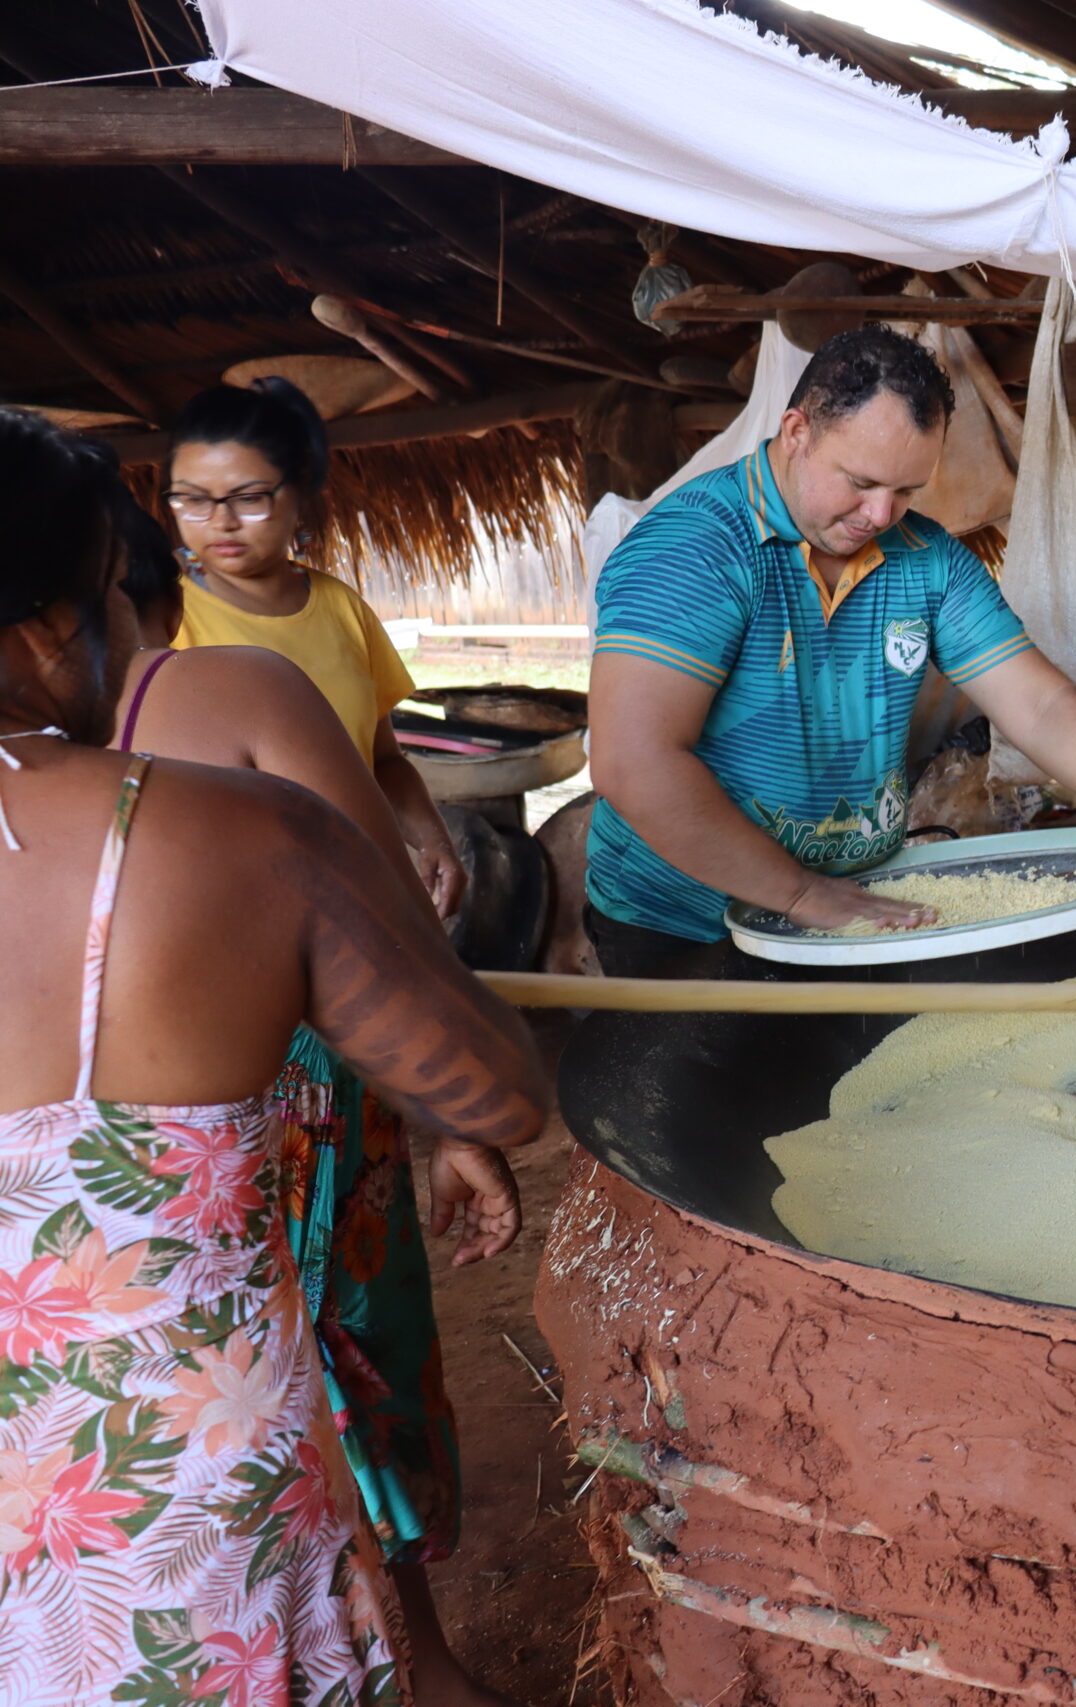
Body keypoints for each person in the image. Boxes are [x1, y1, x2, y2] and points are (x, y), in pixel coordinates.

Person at [0, 408, 549, 1704]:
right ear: (41, 632)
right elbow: (496, 1090)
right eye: (116, 598)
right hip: (177, 1511)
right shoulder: (229, 833)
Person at [112, 495, 523, 1707]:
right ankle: (422, 1666)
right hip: (295, 1112)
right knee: (347, 1364)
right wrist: (457, 1116)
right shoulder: (226, 694)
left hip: (103, 1225)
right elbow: (387, 944)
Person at [586, 325, 1076, 976]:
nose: (881, 514)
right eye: (860, 481)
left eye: (908, 489)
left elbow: (1040, 706)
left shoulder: (926, 559)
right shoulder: (694, 549)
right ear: (798, 432)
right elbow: (633, 761)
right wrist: (801, 893)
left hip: (853, 904)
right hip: (686, 925)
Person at [160, 378, 465, 918]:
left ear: (298, 492)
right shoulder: (165, 622)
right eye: (193, 500)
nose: (221, 521)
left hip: (351, 891)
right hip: (226, 906)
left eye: (248, 498)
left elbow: (383, 762)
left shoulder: (342, 609)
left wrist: (433, 838)